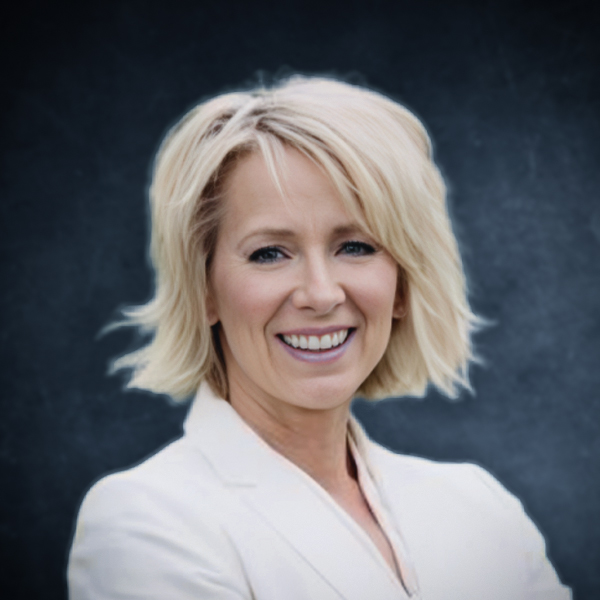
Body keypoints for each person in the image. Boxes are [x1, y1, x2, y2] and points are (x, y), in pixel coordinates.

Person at [68, 76, 571, 600]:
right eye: (269, 253)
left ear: (402, 284)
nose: (321, 293)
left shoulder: (481, 507)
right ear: (204, 292)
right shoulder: (143, 522)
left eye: (355, 247)